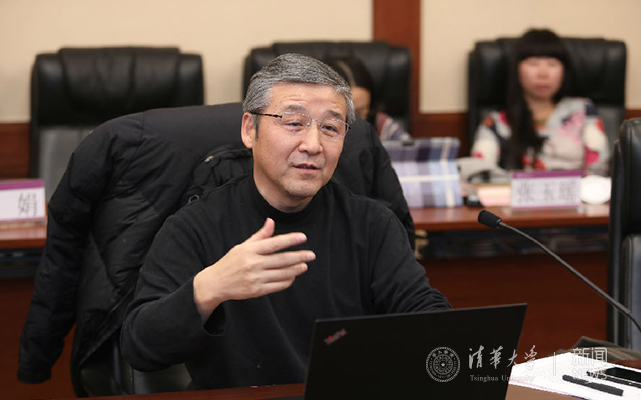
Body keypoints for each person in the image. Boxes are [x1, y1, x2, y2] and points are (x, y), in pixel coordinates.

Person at [120, 53, 451, 390]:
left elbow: (422, 311)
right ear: (250, 130)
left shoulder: (372, 224)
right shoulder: (195, 227)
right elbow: (140, 348)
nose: (313, 145)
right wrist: (211, 287)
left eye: (330, 128)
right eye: (294, 123)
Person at [470, 29, 609, 176]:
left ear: (564, 71)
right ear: (517, 70)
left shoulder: (583, 111)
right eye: (533, 64)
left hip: (579, 190)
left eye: (552, 64)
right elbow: (480, 172)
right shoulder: (496, 123)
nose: (543, 74)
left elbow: (599, 168)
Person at [324, 55, 411, 141]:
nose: (352, 122)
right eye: (345, 113)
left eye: (359, 113)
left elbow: (408, 147)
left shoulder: (380, 124)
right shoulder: (318, 130)